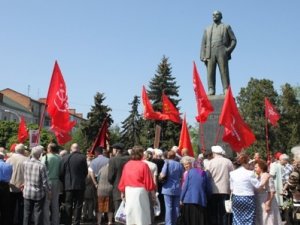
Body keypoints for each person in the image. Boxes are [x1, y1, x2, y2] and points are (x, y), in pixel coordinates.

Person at [200, 10, 237, 95]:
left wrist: (228, 50)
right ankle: (211, 89)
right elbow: (203, 43)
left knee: (224, 71)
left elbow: (234, 40)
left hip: (222, 50)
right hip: (210, 52)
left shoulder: (226, 26)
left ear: (221, 16)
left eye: (216, 14)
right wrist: (202, 55)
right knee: (210, 72)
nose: (214, 16)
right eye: (213, 15)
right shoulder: (207, 29)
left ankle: (226, 89)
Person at [118, 146, 156, 225]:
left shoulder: (127, 165)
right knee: (141, 213)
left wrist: (122, 192)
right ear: (140, 154)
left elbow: (123, 179)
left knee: (131, 213)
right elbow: (148, 181)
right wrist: (153, 194)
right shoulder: (143, 165)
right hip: (140, 191)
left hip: (129, 191)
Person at [230, 153, 269, 225]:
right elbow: (258, 186)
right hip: (248, 198)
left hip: (236, 197)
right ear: (247, 162)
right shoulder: (250, 173)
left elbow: (232, 188)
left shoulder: (232, 173)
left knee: (236, 218)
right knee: (249, 219)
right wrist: (265, 179)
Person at [59, 143, 88, 225]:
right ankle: (76, 222)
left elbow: (61, 173)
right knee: (78, 205)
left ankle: (67, 222)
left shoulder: (65, 158)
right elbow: (85, 172)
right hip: (80, 185)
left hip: (68, 186)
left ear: (71, 149)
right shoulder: (82, 158)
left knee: (68, 205)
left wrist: (65, 182)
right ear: (78, 149)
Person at [206, 145, 234, 225]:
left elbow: (207, 176)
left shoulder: (210, 162)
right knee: (224, 212)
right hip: (225, 190)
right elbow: (232, 175)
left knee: (214, 212)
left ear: (214, 153)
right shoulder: (228, 162)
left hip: (213, 190)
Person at [23, 145, 50, 225]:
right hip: (38, 193)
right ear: (39, 155)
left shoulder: (25, 163)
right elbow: (45, 182)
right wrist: (49, 192)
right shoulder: (41, 165)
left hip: (27, 192)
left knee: (27, 214)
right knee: (38, 213)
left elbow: (24, 176)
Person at [180, 156, 211, 225]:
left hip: (188, 200)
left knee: (189, 220)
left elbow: (185, 186)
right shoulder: (203, 173)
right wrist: (208, 197)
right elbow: (207, 188)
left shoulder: (189, 172)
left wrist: (181, 199)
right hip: (200, 200)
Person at [107, 142, 130, 225]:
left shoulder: (113, 160)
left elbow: (110, 177)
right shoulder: (129, 159)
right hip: (129, 188)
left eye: (113, 149)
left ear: (116, 150)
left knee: (119, 212)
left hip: (117, 188)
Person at [159, 150, 184, 225]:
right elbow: (181, 176)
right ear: (175, 156)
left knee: (168, 207)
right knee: (176, 207)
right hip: (177, 187)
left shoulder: (167, 163)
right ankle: (175, 222)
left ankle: (169, 223)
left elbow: (163, 175)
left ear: (167, 156)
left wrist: (160, 175)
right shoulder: (179, 164)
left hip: (167, 188)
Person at [6, 143, 28, 225]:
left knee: (11, 207)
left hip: (11, 186)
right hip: (23, 187)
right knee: (22, 208)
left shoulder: (9, 160)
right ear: (23, 151)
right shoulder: (27, 159)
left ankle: (11, 221)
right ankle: (20, 222)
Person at [254, 160, 281, 225]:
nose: (254, 169)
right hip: (260, 201)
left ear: (261, 167)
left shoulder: (267, 176)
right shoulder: (258, 177)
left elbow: (272, 191)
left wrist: (268, 204)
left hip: (266, 200)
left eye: (256, 167)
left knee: (267, 219)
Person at [41, 142, 61, 225]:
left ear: (49, 149)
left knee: (46, 204)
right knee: (55, 203)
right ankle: (56, 222)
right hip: (56, 181)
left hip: (47, 181)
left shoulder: (45, 157)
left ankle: (46, 222)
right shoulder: (59, 158)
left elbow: (41, 170)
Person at [0, 151, 13, 225]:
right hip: (5, 187)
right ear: (3, 157)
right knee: (5, 208)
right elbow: (10, 177)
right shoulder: (8, 166)